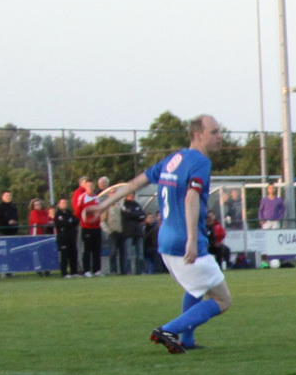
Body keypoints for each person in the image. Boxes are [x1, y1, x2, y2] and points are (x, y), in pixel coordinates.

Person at [86, 114, 234, 353]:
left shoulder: (173, 160)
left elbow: (135, 183)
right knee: (222, 300)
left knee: (194, 288)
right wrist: (192, 241)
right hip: (185, 240)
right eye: (214, 132)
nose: (220, 137)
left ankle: (186, 340)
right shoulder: (200, 162)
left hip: (165, 240)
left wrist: (103, 205)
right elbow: (191, 198)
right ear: (198, 135)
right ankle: (168, 330)